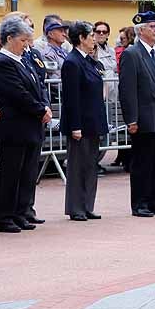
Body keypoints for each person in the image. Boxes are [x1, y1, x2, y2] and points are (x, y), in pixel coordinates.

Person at [0, 17, 47, 233]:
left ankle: (20, 213)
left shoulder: (22, 60)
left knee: (27, 173)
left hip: (30, 125)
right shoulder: (4, 63)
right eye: (23, 40)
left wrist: (43, 106)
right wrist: (40, 109)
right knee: (11, 173)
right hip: (14, 127)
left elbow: (37, 86)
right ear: (9, 38)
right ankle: (4, 216)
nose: (26, 44)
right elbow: (18, 94)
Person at [118, 12, 155, 218]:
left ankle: (154, 200)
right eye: (152, 26)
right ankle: (140, 203)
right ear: (140, 30)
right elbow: (128, 90)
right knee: (142, 162)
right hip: (143, 116)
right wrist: (131, 119)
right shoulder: (132, 54)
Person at [60, 21, 107, 221]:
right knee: (78, 166)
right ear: (81, 38)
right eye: (91, 36)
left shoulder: (89, 61)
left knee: (90, 166)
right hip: (80, 123)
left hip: (93, 122)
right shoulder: (72, 62)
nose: (94, 40)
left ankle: (88, 205)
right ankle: (76, 207)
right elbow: (72, 99)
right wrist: (75, 126)